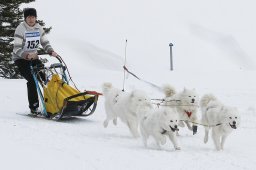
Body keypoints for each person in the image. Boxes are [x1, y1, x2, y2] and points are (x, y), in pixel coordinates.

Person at [12, 8, 58, 114]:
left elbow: (45, 42)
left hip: (34, 57)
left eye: (33, 17)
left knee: (44, 79)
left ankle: (53, 103)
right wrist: (26, 55)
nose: (31, 19)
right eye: (29, 17)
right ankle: (34, 107)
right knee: (32, 81)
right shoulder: (21, 28)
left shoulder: (38, 28)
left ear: (36, 18)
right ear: (25, 18)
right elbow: (16, 48)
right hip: (20, 58)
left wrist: (51, 51)